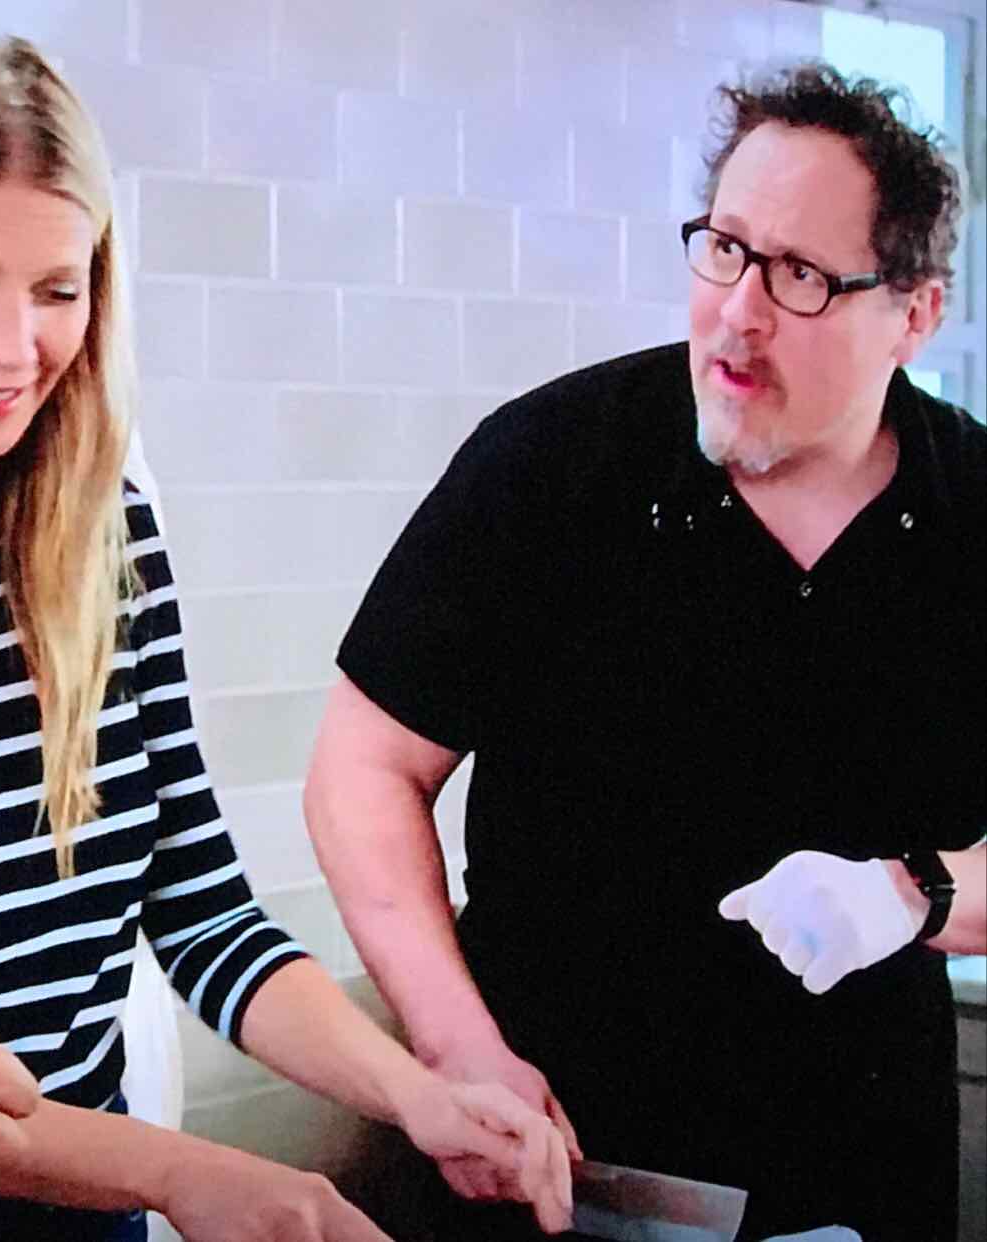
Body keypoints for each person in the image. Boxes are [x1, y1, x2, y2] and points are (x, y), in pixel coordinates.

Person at [0, 31, 577, 1242]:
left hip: (90, 1214)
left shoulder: (101, 540)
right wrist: (190, 1175)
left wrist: (423, 1097)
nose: (14, 347)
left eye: (58, 289)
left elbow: (200, 908)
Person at [304, 63, 985, 1242]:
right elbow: (363, 768)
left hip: (858, 1182)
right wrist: (459, 1048)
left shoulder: (974, 511)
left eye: (802, 277)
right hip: (554, 1171)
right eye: (724, 249)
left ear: (915, 315)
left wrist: (910, 893)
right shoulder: (553, 462)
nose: (739, 311)